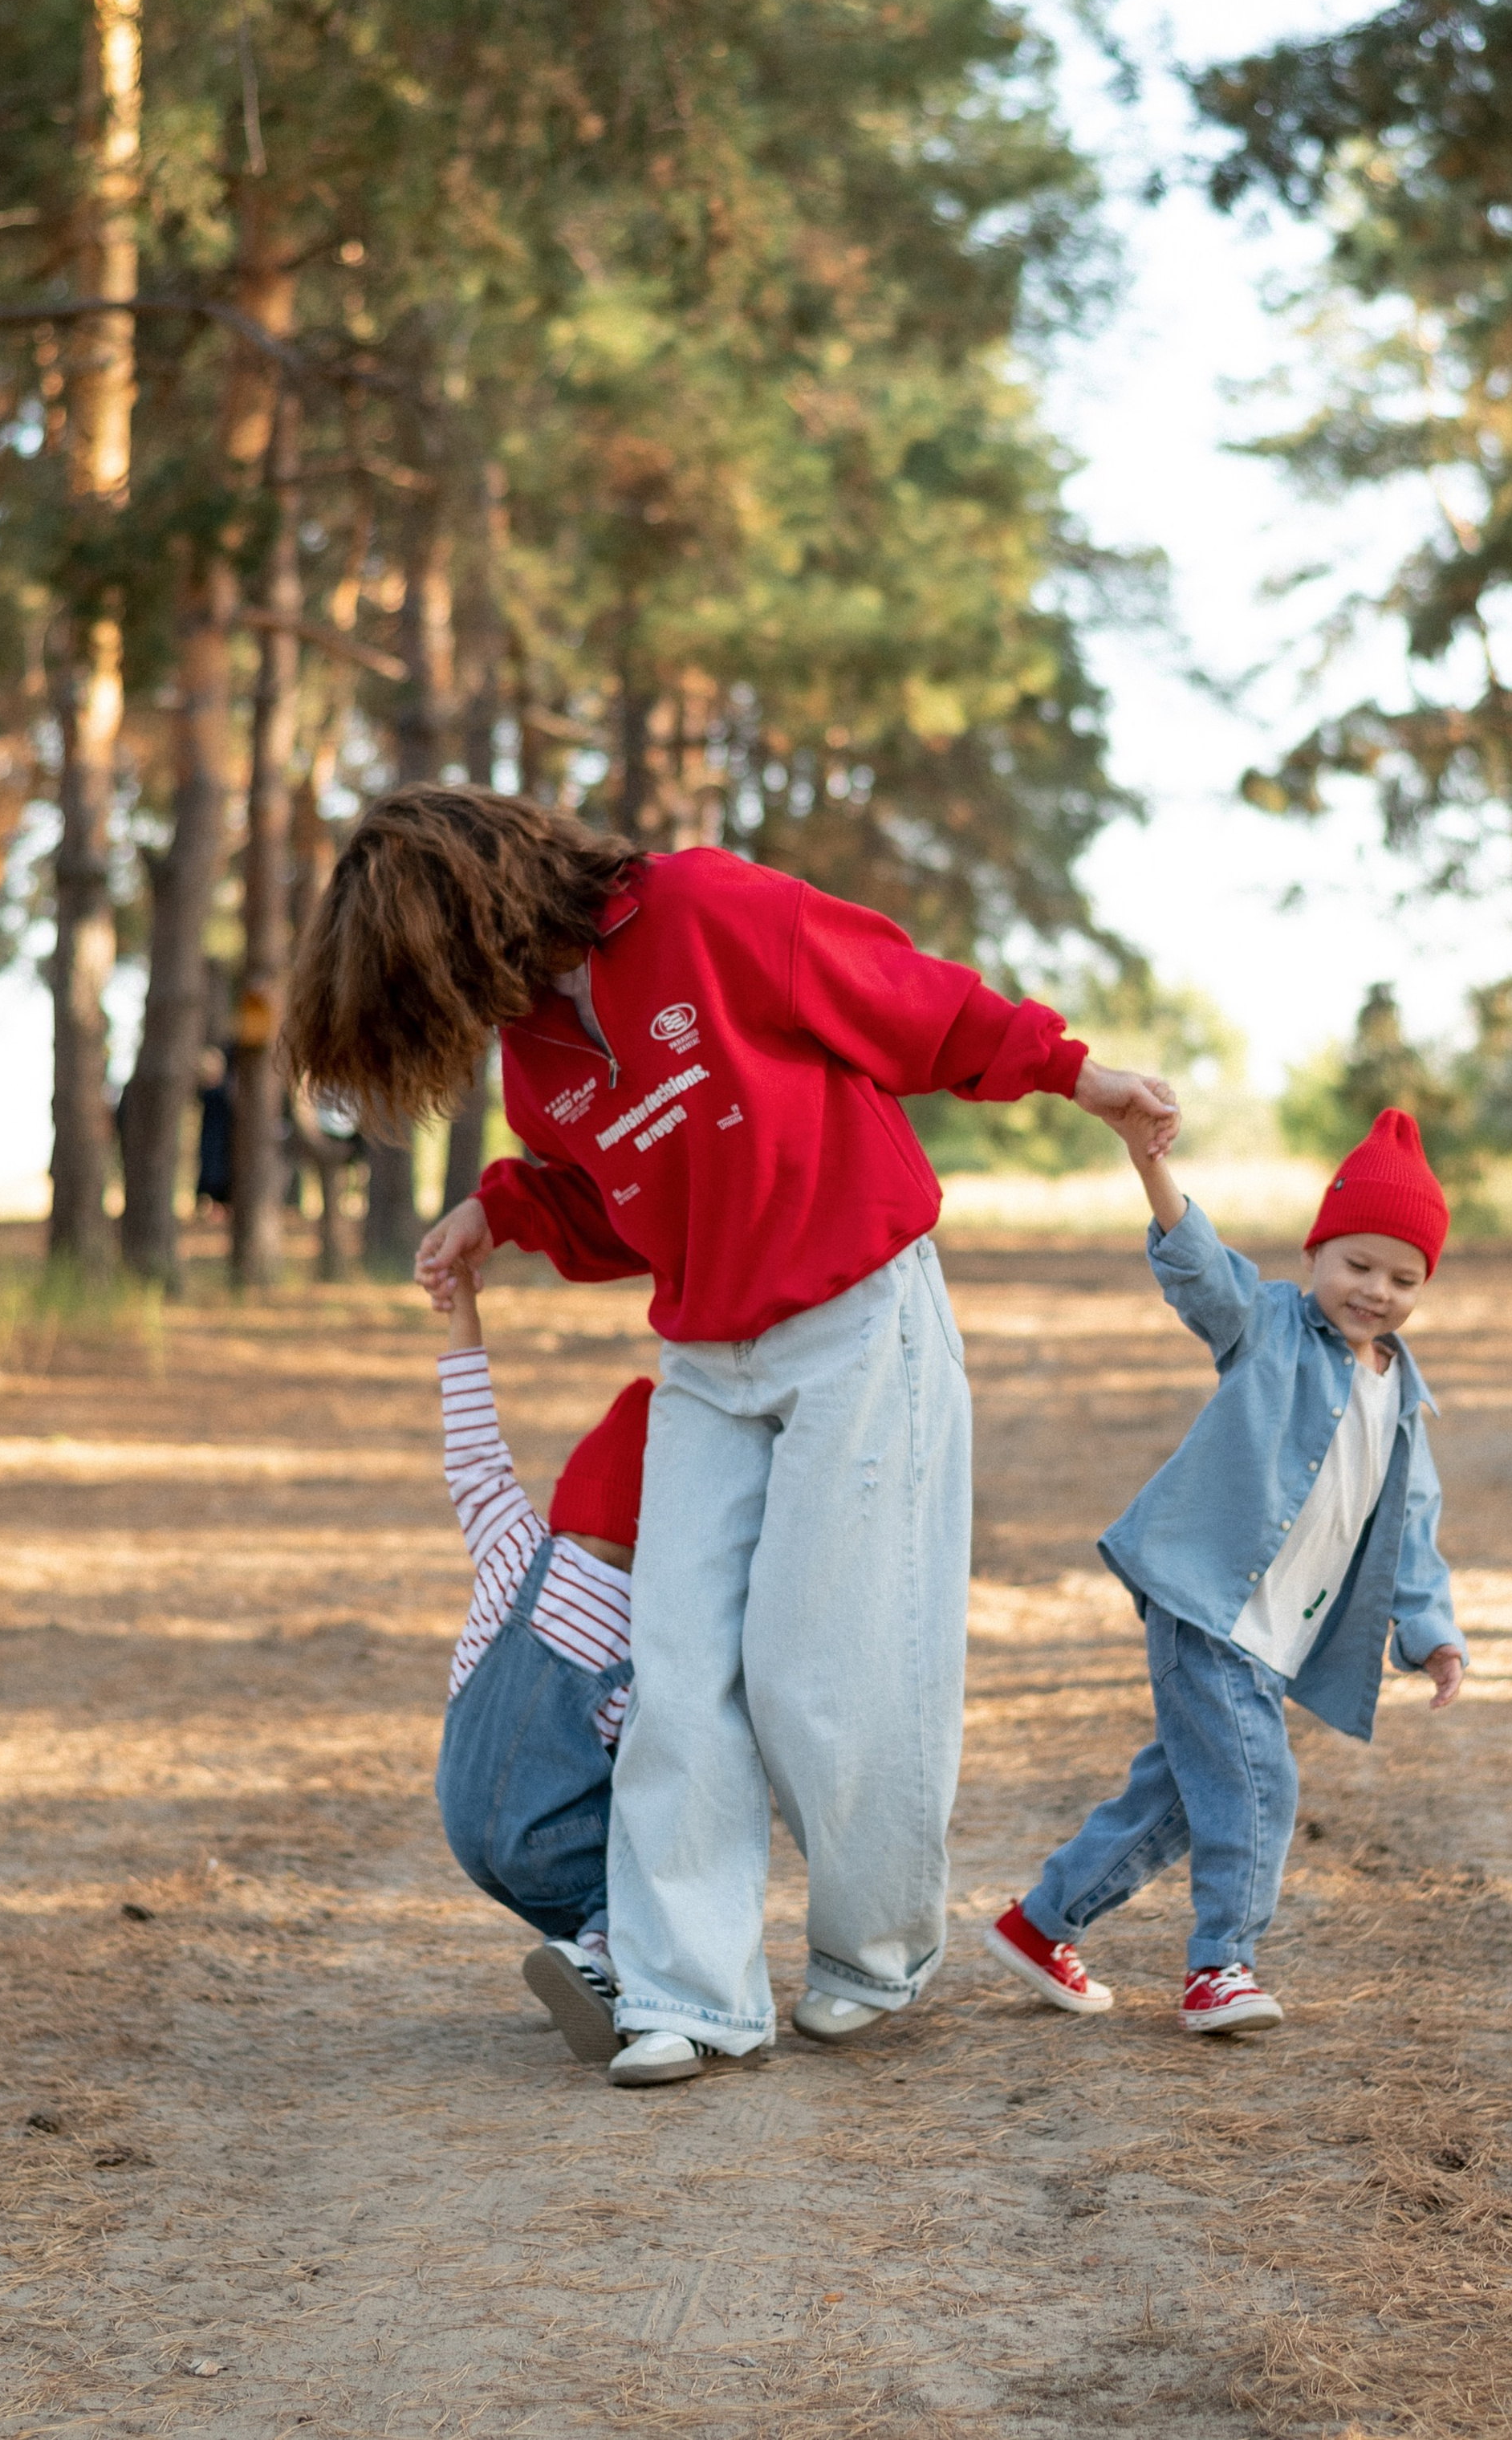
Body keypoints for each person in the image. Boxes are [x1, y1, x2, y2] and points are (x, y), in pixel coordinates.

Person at [284, 785, 1177, 2091]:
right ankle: (685, 1989)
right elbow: (616, 1208)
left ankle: (876, 1955)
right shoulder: (536, 1053)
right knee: (678, 1665)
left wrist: (1078, 1073)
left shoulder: (699, 911)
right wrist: (505, 1208)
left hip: (859, 1313)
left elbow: (904, 997)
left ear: (477, 918)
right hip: (707, 1350)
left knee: (829, 1661)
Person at [984, 1104, 1466, 2037]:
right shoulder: (1272, 1326)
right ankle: (1221, 1968)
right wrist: (1150, 1168)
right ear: (1315, 1253)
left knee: (1180, 1792)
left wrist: (1431, 1631)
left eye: (1402, 1277)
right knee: (1257, 1784)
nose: (1375, 1290)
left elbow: (1410, 1525)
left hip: (1275, 1633)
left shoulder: (1399, 1390)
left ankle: (1040, 1925)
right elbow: (1201, 1269)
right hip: (1206, 1605)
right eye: (1356, 1265)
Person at [432, 1255, 653, 2071]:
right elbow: (647, 1773)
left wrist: (464, 1316)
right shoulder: (640, 1632)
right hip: (546, 1837)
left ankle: (584, 1950)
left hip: (462, 1821)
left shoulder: (514, 1549)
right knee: (645, 1834)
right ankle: (605, 1955)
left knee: (574, 1860)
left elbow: (474, 1450)